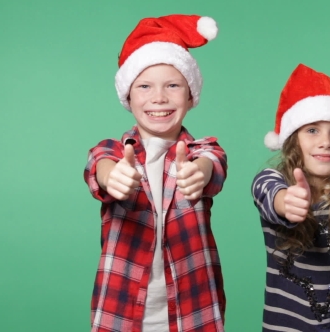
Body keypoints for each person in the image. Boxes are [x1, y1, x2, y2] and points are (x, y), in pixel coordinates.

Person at [83, 15, 227, 332]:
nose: (159, 97)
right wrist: (114, 176)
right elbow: (99, 167)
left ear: (190, 96)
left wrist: (197, 174)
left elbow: (212, 167)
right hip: (120, 312)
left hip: (194, 313)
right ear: (128, 96)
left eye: (173, 85)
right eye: (144, 86)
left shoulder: (203, 151)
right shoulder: (113, 152)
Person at [252, 64, 330, 331]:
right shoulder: (270, 180)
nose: (326, 141)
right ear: (292, 139)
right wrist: (286, 202)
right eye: (312, 130)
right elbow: (269, 194)